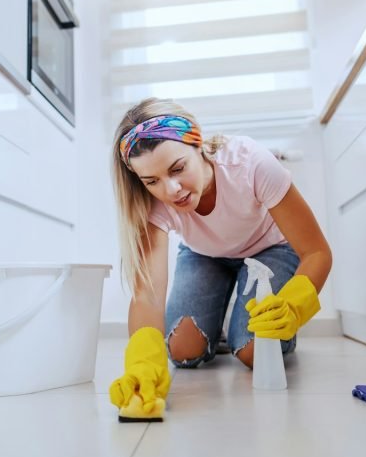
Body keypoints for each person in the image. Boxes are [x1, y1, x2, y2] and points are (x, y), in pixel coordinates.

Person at [107, 98, 332, 416]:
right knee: (182, 351)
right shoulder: (152, 202)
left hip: (269, 249)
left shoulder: (250, 163)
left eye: (178, 168)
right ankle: (228, 323)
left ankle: (244, 328)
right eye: (152, 181)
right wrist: (142, 362)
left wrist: (293, 306)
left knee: (255, 351)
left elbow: (317, 251)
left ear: (196, 142)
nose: (172, 190)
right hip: (205, 255)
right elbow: (147, 297)